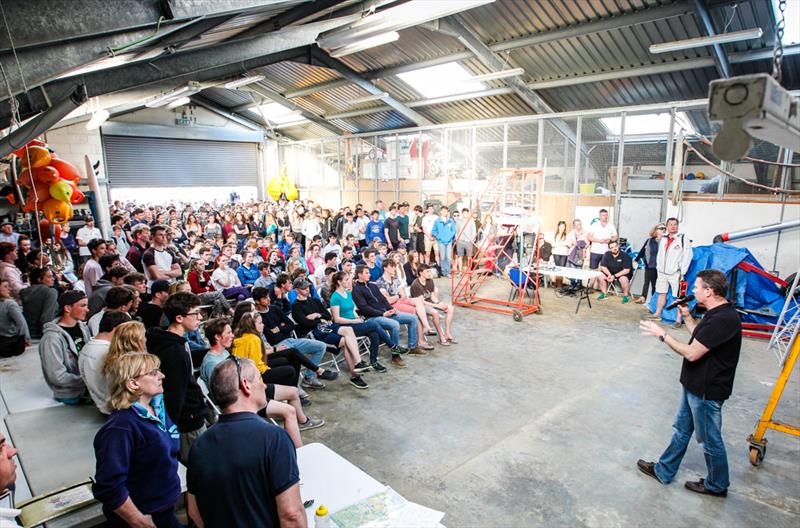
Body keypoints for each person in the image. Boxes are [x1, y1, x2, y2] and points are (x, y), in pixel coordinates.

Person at [637, 270, 742, 497]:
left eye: (697, 287)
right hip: (695, 385)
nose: (693, 291)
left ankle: (717, 484)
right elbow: (702, 339)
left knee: (710, 440)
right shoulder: (717, 313)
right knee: (681, 430)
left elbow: (693, 353)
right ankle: (664, 470)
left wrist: (662, 335)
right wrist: (686, 316)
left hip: (706, 390)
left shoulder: (723, 319)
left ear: (709, 291)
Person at [187, 357, 307, 528]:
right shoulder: (274, 438)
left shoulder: (199, 445)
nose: (264, 385)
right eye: (259, 378)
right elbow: (291, 514)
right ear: (246, 385)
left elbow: (194, 512)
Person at [93, 352, 182, 527]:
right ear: (133, 383)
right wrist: (137, 520)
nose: (162, 375)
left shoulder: (155, 409)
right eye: (153, 372)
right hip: (146, 515)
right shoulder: (121, 427)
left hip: (164, 508)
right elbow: (109, 485)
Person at [146, 291, 212, 464]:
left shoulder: (170, 342)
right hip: (187, 419)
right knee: (198, 465)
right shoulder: (174, 351)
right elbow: (175, 393)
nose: (200, 317)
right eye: (195, 313)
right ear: (179, 318)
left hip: (189, 414)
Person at [253, 285, 335, 389]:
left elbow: (290, 325)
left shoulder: (274, 308)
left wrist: (278, 329)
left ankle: (309, 378)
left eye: (268, 296)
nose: (269, 299)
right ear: (257, 301)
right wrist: (282, 327)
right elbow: (271, 337)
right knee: (293, 357)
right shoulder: (257, 318)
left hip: (291, 339)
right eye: (265, 298)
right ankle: (295, 387)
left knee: (321, 346)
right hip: (277, 346)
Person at [292, 279, 369, 389]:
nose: (307, 290)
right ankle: (355, 375)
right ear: (296, 290)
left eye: (307, 287)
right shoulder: (295, 306)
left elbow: (328, 316)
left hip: (326, 327)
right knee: (346, 342)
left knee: (348, 330)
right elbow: (305, 323)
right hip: (315, 333)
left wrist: (317, 315)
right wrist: (320, 320)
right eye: (304, 288)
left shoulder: (314, 300)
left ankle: (358, 362)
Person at [329, 271, 395, 373]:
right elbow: (336, 319)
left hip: (353, 323)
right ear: (339, 282)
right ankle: (392, 346)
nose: (349, 281)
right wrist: (355, 321)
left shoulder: (347, 293)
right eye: (346, 280)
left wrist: (358, 318)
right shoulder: (335, 297)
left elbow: (352, 311)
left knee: (374, 334)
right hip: (344, 326)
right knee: (373, 324)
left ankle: (373, 362)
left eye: (348, 279)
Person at [352, 265, 420, 362]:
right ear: (359, 274)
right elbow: (364, 308)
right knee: (395, 324)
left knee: (413, 318)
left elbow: (383, 300)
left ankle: (412, 348)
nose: (369, 274)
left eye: (369, 272)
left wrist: (392, 309)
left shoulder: (372, 285)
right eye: (366, 273)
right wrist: (382, 314)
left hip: (385, 313)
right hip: (372, 318)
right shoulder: (356, 290)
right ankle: (395, 355)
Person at [39, 290, 91, 404]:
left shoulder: (83, 327)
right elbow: (57, 376)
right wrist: (89, 380)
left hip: (87, 386)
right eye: (83, 305)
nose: (87, 310)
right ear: (67, 308)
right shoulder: (52, 338)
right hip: (71, 393)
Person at [375, 258, 435, 348]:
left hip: (401, 301)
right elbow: (388, 300)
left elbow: (403, 294)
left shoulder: (395, 279)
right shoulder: (380, 282)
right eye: (392, 266)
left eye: (394, 266)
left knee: (418, 299)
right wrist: (397, 296)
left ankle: (426, 327)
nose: (394, 269)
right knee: (415, 311)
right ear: (385, 268)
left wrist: (397, 296)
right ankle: (420, 341)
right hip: (392, 305)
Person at [79, 311, 131, 414]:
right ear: (117, 329)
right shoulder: (108, 352)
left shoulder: (87, 347)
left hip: (101, 405)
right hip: (115, 409)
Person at [650, 217, 694, 328]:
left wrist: (682, 271)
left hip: (676, 273)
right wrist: (659, 267)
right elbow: (660, 254)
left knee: (678, 297)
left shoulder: (683, 239)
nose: (673, 226)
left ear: (677, 226)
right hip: (662, 272)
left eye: (675, 224)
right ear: (667, 226)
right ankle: (657, 313)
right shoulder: (663, 238)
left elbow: (688, 256)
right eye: (670, 224)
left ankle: (678, 320)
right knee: (661, 293)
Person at [410, 264, 457, 345]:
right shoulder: (415, 285)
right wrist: (437, 306)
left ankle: (447, 333)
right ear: (421, 273)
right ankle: (441, 336)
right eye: (427, 271)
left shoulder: (430, 281)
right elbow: (422, 302)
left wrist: (439, 303)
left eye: (430, 271)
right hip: (422, 306)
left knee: (450, 308)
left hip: (430, 303)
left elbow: (432, 296)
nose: (429, 273)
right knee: (434, 313)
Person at [20, 267, 59, 339]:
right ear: (39, 279)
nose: (53, 279)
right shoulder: (51, 292)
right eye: (49, 277)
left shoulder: (24, 292)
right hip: (44, 334)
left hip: (28, 332)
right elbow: (47, 318)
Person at [142, 225, 182, 290]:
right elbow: (156, 276)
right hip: (155, 289)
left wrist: (164, 272)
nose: (163, 237)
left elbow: (179, 272)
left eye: (164, 234)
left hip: (170, 287)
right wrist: (172, 274)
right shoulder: (149, 254)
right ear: (152, 236)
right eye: (160, 235)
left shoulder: (169, 252)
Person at [635, 223, 665, 304]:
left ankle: (653, 301)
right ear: (656, 230)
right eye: (661, 228)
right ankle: (643, 297)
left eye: (664, 228)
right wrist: (636, 260)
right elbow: (642, 251)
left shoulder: (665, 240)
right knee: (647, 282)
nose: (663, 229)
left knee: (656, 284)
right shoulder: (650, 241)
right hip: (650, 264)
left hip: (660, 266)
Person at [0, 278, 28, 357]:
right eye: (5, 287)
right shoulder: (10, 304)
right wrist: (26, 339)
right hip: (11, 343)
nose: (9, 289)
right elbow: (22, 324)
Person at [586, 209, 618, 273]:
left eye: (606, 215)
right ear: (599, 216)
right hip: (595, 251)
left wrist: (610, 240)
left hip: (607, 252)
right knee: (592, 271)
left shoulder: (611, 226)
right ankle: (590, 283)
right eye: (603, 215)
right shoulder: (594, 225)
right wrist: (599, 240)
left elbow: (616, 237)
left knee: (605, 271)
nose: (605, 216)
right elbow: (589, 237)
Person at [432, 206, 456, 278]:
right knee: (442, 257)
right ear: (441, 212)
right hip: (441, 242)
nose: (444, 212)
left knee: (448, 257)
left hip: (449, 242)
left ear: (447, 212)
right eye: (443, 211)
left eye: (446, 211)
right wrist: (439, 238)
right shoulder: (437, 221)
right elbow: (433, 231)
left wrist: (450, 238)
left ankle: (448, 272)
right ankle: (443, 272)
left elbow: (453, 231)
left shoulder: (450, 221)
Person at [454, 207, 475, 274]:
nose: (465, 214)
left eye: (466, 213)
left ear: (468, 213)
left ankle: (469, 271)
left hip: (469, 241)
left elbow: (474, 231)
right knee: (460, 256)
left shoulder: (471, 221)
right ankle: (460, 271)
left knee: (469, 257)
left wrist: (473, 239)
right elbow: (456, 231)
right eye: (464, 213)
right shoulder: (458, 221)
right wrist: (456, 239)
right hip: (460, 240)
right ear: (462, 214)